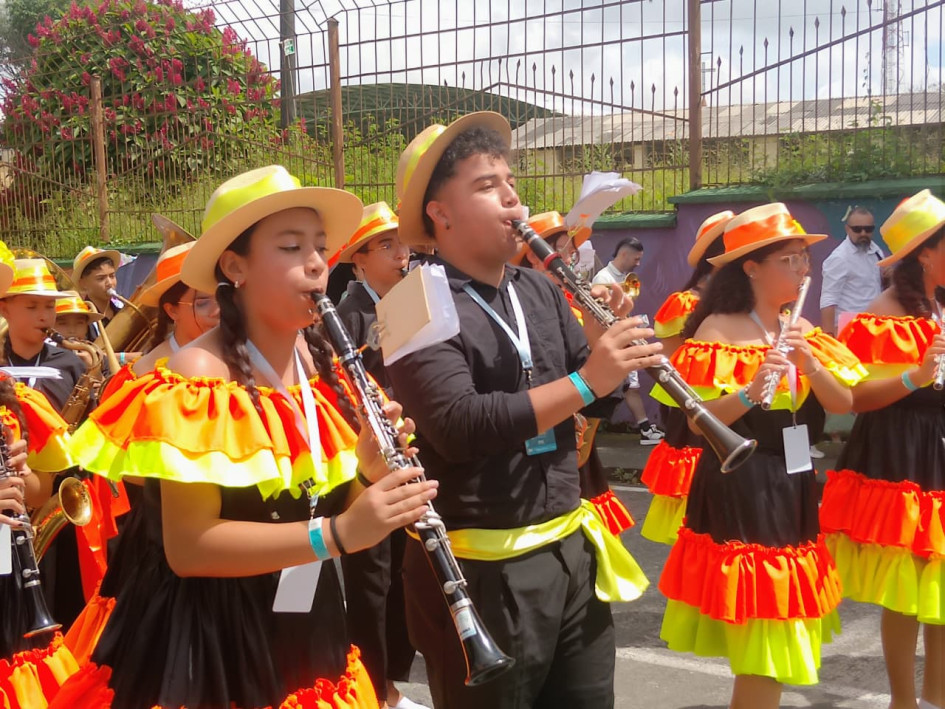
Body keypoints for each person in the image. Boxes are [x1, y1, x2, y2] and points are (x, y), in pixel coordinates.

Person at [58, 165, 437, 709]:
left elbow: (318, 506)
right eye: (290, 247)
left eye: (320, 247)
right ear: (234, 266)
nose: (315, 263)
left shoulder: (323, 366)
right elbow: (190, 549)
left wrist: (367, 476)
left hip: (309, 626)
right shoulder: (197, 376)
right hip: (213, 645)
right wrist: (339, 532)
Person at [387, 111, 656, 708]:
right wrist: (588, 381)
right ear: (440, 212)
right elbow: (459, 426)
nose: (512, 197)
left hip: (569, 554)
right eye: (487, 185)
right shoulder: (410, 301)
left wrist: (611, 355)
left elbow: (600, 399)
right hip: (478, 572)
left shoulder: (537, 288)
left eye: (510, 182)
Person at [656, 203, 865, 709]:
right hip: (741, 478)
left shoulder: (801, 329)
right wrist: (751, 391)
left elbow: (845, 404)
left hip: (792, 477)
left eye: (803, 260)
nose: (803, 270)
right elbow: (696, 420)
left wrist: (810, 363)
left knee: (780, 620)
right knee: (765, 625)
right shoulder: (716, 330)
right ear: (751, 267)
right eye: (790, 260)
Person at [63, 238, 219, 667]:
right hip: (158, 539)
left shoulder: (237, 363)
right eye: (203, 302)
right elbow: (123, 472)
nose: (219, 312)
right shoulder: (140, 377)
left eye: (221, 298)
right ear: (171, 310)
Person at [819, 189, 945, 709]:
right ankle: (904, 701)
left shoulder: (939, 303)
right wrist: (916, 377)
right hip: (901, 452)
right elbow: (857, 398)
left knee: (940, 584)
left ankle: (937, 697)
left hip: (936, 446)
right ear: (925, 252)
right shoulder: (883, 313)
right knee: (906, 584)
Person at [329, 202, 426, 709]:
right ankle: (375, 689)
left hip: (410, 450)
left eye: (402, 243)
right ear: (358, 260)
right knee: (373, 579)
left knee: (404, 576)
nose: (401, 254)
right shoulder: (346, 316)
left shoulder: (411, 300)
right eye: (385, 245)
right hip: (366, 463)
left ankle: (390, 680)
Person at [515, 211, 635, 537]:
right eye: (562, 251)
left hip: (580, 417)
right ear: (533, 256)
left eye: (569, 252)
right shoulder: (518, 301)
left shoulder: (570, 297)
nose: (569, 259)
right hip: (545, 419)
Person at [639, 210, 733, 545]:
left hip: (736, 410)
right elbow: (669, 365)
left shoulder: (749, 306)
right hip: (693, 410)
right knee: (693, 501)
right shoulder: (685, 302)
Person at [592, 238, 664, 443]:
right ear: (624, 255)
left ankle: (644, 428)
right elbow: (602, 315)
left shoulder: (624, 277)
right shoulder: (602, 278)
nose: (639, 263)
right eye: (637, 258)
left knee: (630, 386)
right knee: (626, 387)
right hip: (616, 340)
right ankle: (644, 429)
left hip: (625, 337)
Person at [0, 259, 86, 412]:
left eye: (50, 306)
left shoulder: (71, 364)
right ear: (4, 310)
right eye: (32, 307)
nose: (44, 316)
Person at [819, 206, 885, 337]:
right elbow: (828, 300)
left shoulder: (875, 250)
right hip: (849, 329)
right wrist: (829, 338)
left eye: (868, 229)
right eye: (857, 229)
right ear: (847, 229)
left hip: (875, 326)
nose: (863, 234)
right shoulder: (839, 258)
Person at [73, 247, 123, 337]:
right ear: (83, 283)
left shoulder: (122, 310)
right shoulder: (81, 319)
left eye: (112, 276)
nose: (110, 283)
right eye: (101, 278)